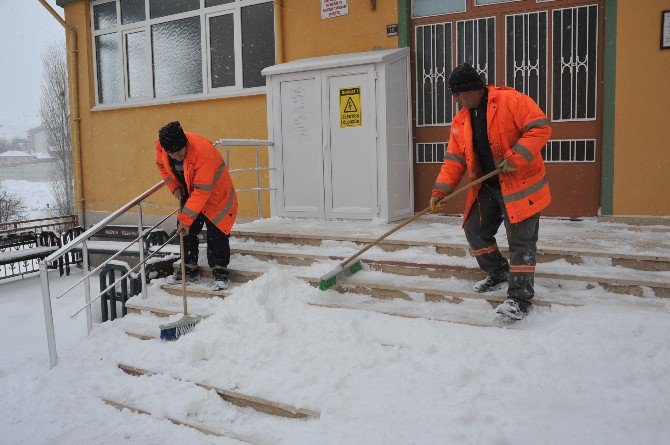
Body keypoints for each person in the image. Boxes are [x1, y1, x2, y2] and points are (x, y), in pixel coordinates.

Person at [429, 63, 552, 320]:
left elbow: (540, 127)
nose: (456, 100)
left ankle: (519, 299)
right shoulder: (461, 120)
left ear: (472, 90)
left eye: (458, 95)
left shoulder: (510, 101)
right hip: (488, 187)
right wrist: (439, 191)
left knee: (521, 243)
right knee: (475, 230)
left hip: (520, 187)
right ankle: (497, 272)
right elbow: (454, 161)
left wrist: (516, 156)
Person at [155, 121, 238, 290]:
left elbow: (202, 191)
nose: (177, 155)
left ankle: (220, 271)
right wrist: (174, 187)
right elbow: (162, 167)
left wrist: (186, 218)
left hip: (215, 194)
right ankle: (189, 268)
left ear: (185, 142)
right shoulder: (162, 149)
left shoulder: (202, 151)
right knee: (185, 230)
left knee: (217, 232)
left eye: (180, 150)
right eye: (173, 153)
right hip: (192, 191)